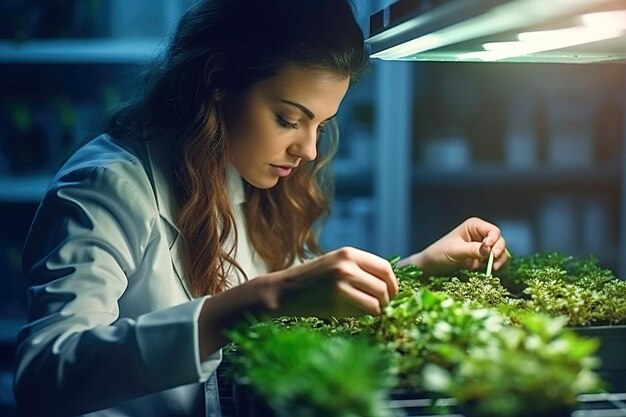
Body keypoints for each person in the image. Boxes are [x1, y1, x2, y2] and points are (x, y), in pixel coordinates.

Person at [13, 1, 508, 416]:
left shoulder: (234, 166)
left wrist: (416, 269)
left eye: (321, 125)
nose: (309, 150)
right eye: (289, 119)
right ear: (218, 79)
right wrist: (260, 300)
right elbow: (45, 378)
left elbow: (295, 310)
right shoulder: (107, 184)